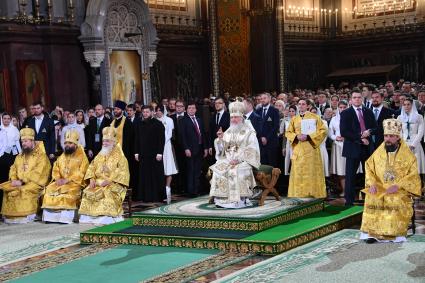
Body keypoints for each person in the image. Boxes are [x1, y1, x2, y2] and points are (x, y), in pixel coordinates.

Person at [360, 118, 421, 243]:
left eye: (391, 136)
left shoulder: (408, 155)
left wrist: (398, 186)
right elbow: (369, 167)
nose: (387, 139)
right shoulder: (378, 152)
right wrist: (372, 184)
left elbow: (413, 175)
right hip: (380, 187)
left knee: (395, 198)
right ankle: (373, 233)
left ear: (398, 137)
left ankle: (396, 233)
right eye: (386, 136)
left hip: (400, 189)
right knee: (371, 196)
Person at [209, 101, 260, 208]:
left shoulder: (249, 132)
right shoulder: (229, 131)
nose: (234, 120)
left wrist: (238, 160)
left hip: (244, 161)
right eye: (232, 117)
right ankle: (221, 200)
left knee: (235, 170)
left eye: (236, 117)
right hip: (229, 160)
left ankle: (239, 201)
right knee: (218, 169)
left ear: (242, 117)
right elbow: (223, 149)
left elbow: (252, 149)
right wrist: (220, 139)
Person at [79, 127, 129, 225]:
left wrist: (110, 180)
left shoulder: (120, 156)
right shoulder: (100, 154)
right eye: (104, 141)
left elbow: (123, 172)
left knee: (107, 193)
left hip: (114, 183)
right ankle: (90, 217)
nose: (104, 143)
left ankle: (105, 218)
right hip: (98, 182)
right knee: (87, 191)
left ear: (113, 142)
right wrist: (92, 179)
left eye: (107, 141)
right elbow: (91, 167)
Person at [0, 128, 51, 223]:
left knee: (22, 190)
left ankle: (29, 215)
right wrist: (14, 179)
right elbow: (13, 168)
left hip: (34, 183)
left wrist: (22, 181)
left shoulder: (41, 156)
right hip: (18, 182)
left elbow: (39, 173)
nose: (23, 143)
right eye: (22, 141)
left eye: (26, 141)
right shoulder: (20, 156)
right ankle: (9, 216)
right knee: (6, 188)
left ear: (32, 141)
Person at [41, 130, 89, 224]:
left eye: (70, 143)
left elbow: (83, 172)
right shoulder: (62, 156)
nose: (67, 145)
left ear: (75, 144)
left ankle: (65, 218)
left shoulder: (82, 156)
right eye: (66, 143)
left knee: (67, 192)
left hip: (74, 183)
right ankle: (50, 218)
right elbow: (56, 168)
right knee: (49, 189)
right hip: (60, 182)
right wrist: (58, 178)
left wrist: (67, 179)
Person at [285, 99, 327, 198]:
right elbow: (288, 132)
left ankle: (313, 194)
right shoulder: (294, 119)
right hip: (299, 149)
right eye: (299, 104)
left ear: (307, 106)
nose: (301, 106)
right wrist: (296, 136)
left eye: (303, 104)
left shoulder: (315, 117)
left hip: (311, 149)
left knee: (311, 172)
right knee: (298, 172)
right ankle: (298, 194)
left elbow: (323, 131)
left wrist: (308, 136)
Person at [340, 91, 376, 206]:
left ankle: (369, 198)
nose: (357, 99)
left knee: (369, 175)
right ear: (351, 99)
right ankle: (349, 201)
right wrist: (360, 138)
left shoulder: (369, 112)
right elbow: (344, 132)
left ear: (362, 99)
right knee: (350, 175)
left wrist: (369, 132)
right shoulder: (346, 113)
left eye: (359, 97)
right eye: (354, 97)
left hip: (367, 148)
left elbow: (376, 127)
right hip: (352, 147)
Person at [134, 106, 165, 203]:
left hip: (155, 155)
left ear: (152, 112)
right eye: (144, 112)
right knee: (145, 176)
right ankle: (146, 196)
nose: (145, 113)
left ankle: (157, 196)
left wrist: (160, 152)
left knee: (155, 176)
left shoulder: (158, 124)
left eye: (147, 112)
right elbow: (137, 139)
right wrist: (136, 152)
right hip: (143, 154)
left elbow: (161, 140)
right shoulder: (140, 124)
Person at [179, 101, 209, 196]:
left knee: (197, 170)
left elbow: (202, 134)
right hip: (190, 149)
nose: (191, 110)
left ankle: (196, 190)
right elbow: (182, 136)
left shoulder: (199, 120)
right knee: (191, 170)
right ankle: (191, 191)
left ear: (196, 109)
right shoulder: (183, 120)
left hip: (199, 149)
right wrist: (186, 148)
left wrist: (205, 148)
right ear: (186, 109)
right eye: (189, 108)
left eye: (193, 108)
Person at [155, 106, 178, 204]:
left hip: (167, 146)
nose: (158, 112)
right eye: (157, 110)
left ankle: (168, 187)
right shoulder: (155, 121)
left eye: (160, 110)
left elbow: (169, 133)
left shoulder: (169, 120)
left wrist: (164, 141)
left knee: (169, 168)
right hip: (157, 146)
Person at [397, 98, 425, 174]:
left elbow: (421, 132)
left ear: (412, 105)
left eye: (408, 104)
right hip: (403, 143)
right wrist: (402, 143)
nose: (406, 106)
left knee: (416, 165)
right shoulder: (399, 117)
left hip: (415, 144)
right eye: (404, 104)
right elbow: (399, 132)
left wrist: (413, 145)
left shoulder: (419, 117)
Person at [256, 93, 280, 167]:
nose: (262, 100)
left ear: (269, 99)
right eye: (261, 98)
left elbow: (276, 126)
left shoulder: (275, 111)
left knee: (272, 165)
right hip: (260, 143)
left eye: (264, 98)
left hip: (271, 143)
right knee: (263, 165)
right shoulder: (258, 111)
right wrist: (261, 137)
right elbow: (256, 126)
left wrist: (266, 138)